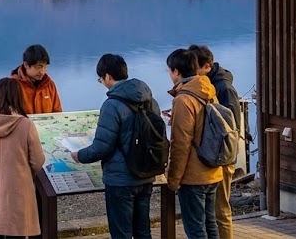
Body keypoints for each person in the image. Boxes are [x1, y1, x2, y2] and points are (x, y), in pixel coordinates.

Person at [70, 54, 161, 239]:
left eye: (100, 78)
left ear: (107, 76)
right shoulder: (149, 100)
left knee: (121, 233)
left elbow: (102, 147)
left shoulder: (112, 105)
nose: (102, 82)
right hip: (146, 174)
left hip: (121, 181)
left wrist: (79, 155)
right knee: (143, 231)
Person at [0, 77, 47, 239]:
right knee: (16, 231)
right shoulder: (25, 125)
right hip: (18, 188)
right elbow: (37, 160)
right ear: (18, 97)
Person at [165, 48, 222, 239]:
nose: (169, 74)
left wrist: (173, 179)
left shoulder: (184, 99)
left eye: (169, 70)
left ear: (176, 71)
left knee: (196, 229)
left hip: (193, 175)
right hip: (213, 168)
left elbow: (181, 143)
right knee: (210, 224)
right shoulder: (208, 90)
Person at [188, 44, 241, 239]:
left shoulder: (223, 88)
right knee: (210, 213)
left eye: (194, 67)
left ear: (207, 66)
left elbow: (230, 127)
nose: (192, 72)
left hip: (221, 157)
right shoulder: (205, 85)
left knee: (221, 211)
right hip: (210, 156)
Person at [10, 44, 63, 114]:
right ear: (26, 65)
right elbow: (8, 117)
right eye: (38, 67)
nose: (42, 71)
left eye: (45, 67)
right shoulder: (12, 85)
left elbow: (58, 113)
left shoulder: (49, 85)